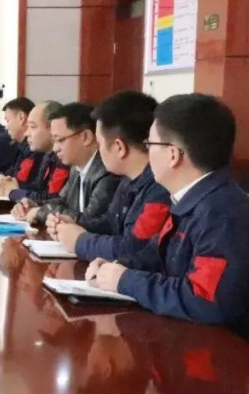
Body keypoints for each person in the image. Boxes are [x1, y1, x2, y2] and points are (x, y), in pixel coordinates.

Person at [87, 93, 249, 332]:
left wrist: (126, 280)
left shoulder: (222, 214)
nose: (147, 152)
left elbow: (203, 299)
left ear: (173, 155)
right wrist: (117, 266)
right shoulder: (189, 199)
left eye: (150, 144)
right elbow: (157, 254)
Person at [50, 91, 171, 261]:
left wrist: (79, 241)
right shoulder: (127, 180)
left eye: (99, 143)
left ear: (119, 147)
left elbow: (134, 249)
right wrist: (73, 225)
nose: (98, 151)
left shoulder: (159, 188)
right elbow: (109, 223)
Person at [13, 102, 120, 226]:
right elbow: (63, 200)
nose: (55, 148)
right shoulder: (76, 167)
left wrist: (41, 212)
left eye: (60, 140)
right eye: (54, 141)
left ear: (86, 137)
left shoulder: (107, 172)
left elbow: (90, 220)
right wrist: (33, 205)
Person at [6, 101, 71, 205]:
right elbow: (37, 189)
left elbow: (51, 199)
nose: (27, 133)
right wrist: (10, 185)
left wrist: (13, 192)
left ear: (53, 128)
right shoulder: (47, 155)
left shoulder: (65, 158)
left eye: (33, 127)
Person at [0, 97, 41, 193]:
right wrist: (0, 178)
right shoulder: (20, 146)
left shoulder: (36, 149)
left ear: (21, 118)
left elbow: (20, 183)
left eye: (8, 120)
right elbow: (11, 175)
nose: (6, 127)